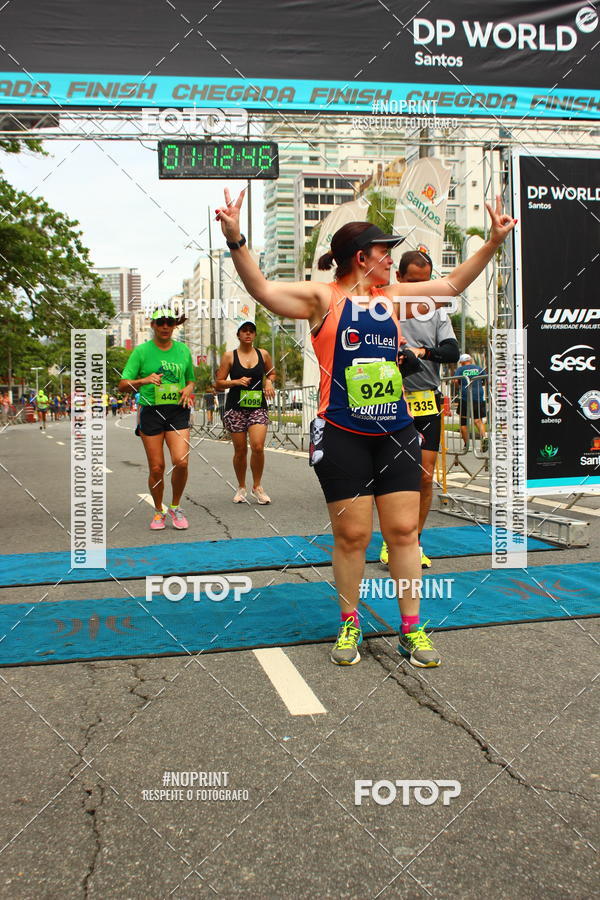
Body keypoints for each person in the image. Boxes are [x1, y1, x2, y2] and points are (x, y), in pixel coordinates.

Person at [216, 188, 515, 667]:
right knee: (353, 537)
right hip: (342, 432)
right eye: (384, 252)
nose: (390, 259)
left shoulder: (390, 298)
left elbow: (453, 287)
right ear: (362, 257)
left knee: (402, 532)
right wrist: (236, 240)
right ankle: (349, 624)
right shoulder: (322, 297)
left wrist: (493, 242)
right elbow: (263, 291)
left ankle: (411, 629)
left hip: (395, 431)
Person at [379, 251, 459, 570]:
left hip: (426, 400)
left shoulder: (437, 312)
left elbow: (452, 351)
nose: (420, 290)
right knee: (394, 476)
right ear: (399, 279)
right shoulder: (383, 308)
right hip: (390, 400)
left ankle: (412, 541)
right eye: (414, 282)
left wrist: (422, 351)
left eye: (426, 283)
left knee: (424, 478)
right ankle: (392, 539)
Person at [118, 307, 195, 531]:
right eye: (160, 322)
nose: (164, 327)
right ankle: (159, 510)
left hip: (177, 410)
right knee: (157, 467)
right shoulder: (141, 352)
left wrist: (188, 389)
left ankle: (176, 506)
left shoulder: (182, 350)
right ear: (152, 325)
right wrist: (144, 380)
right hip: (151, 411)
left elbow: (191, 380)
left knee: (181, 461)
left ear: (174, 326)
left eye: (169, 323)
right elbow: (123, 384)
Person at [215, 320, 276, 504]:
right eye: (244, 331)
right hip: (235, 408)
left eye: (251, 331)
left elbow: (272, 373)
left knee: (257, 446)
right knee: (240, 450)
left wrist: (268, 381)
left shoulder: (263, 354)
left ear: (255, 335)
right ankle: (241, 487)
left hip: (257, 406)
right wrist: (235, 382)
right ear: (238, 335)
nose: (248, 334)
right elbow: (218, 382)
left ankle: (257, 486)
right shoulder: (229, 356)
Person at [454, 352, 488, 451]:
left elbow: (455, 380)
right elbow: (485, 380)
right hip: (478, 397)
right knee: (478, 420)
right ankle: (484, 437)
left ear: (462, 362)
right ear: (470, 360)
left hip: (465, 398)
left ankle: (466, 445)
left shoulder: (460, 369)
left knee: (463, 423)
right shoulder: (478, 368)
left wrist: (458, 388)